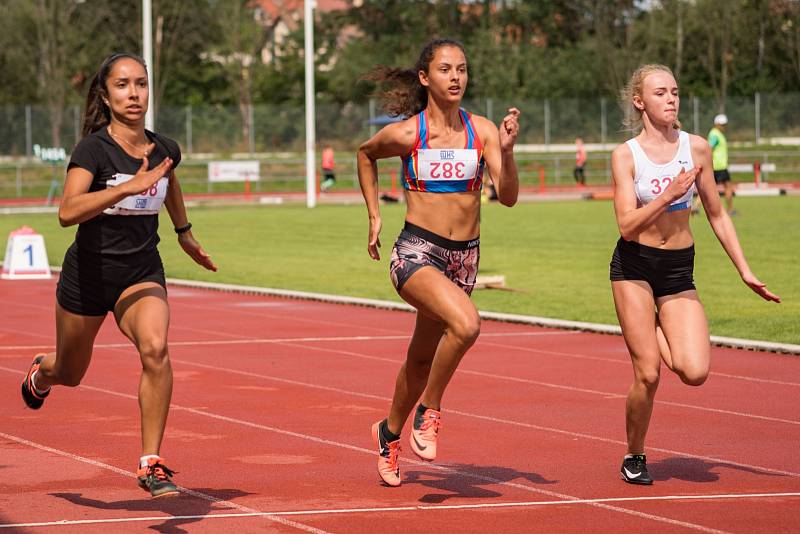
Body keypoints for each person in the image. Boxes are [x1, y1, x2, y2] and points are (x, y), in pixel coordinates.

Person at [19, 53, 217, 498]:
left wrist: (184, 233)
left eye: (141, 84)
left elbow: (169, 182)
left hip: (141, 272)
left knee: (156, 348)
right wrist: (122, 188)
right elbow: (67, 212)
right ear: (106, 96)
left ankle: (152, 463)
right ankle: (41, 373)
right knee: (71, 372)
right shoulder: (93, 150)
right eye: (123, 85)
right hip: (88, 276)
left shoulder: (165, 147)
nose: (134, 93)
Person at [357, 38, 520, 487]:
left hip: (464, 259)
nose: (456, 77)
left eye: (462, 69)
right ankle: (428, 410)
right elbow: (365, 155)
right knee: (466, 325)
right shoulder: (409, 133)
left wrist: (506, 150)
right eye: (446, 69)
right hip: (416, 253)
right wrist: (374, 214)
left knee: (420, 356)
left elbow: (507, 198)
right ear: (426, 78)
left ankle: (388, 433)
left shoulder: (482, 131)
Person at [609, 64, 780, 485]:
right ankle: (634, 454)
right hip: (633, 267)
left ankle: (652, 320)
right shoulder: (626, 155)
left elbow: (718, 215)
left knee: (694, 371)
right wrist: (667, 195)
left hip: (678, 269)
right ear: (640, 101)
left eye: (675, 92)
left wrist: (745, 270)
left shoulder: (697, 148)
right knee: (648, 372)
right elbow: (627, 225)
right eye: (661, 92)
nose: (671, 99)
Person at [709, 114, 734, 214]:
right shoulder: (715, 134)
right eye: (722, 124)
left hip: (718, 166)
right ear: (717, 124)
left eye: (725, 124)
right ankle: (730, 210)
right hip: (719, 166)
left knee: (709, 188)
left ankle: (695, 207)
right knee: (728, 187)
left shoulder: (717, 133)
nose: (724, 126)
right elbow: (710, 148)